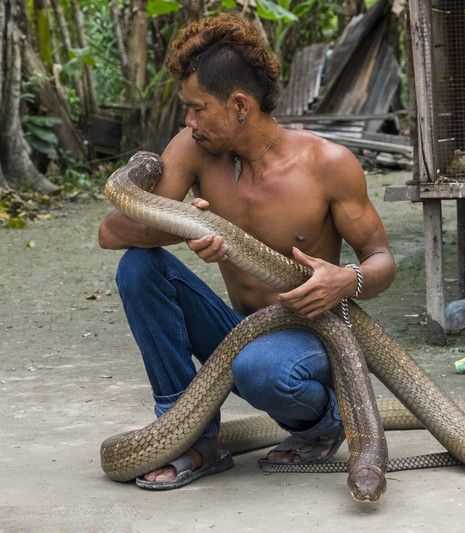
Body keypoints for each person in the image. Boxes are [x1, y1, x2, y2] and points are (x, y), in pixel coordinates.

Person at [98, 13, 396, 490]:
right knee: (139, 268)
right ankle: (188, 436)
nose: (188, 121)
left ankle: (324, 423)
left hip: (310, 337)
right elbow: (111, 233)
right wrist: (183, 228)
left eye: (197, 108)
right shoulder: (194, 150)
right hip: (240, 333)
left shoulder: (327, 165)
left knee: (260, 368)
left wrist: (348, 279)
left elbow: (382, 259)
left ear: (239, 105)